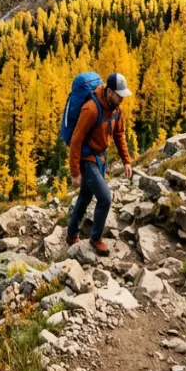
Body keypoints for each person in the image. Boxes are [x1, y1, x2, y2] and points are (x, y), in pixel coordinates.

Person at [66, 72, 133, 256]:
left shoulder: (117, 110)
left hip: (101, 159)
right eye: (119, 95)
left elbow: (119, 135)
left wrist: (126, 161)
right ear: (109, 91)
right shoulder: (91, 109)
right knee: (105, 198)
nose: (122, 99)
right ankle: (95, 239)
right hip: (88, 160)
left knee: (85, 197)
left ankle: (72, 234)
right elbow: (76, 141)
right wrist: (75, 172)